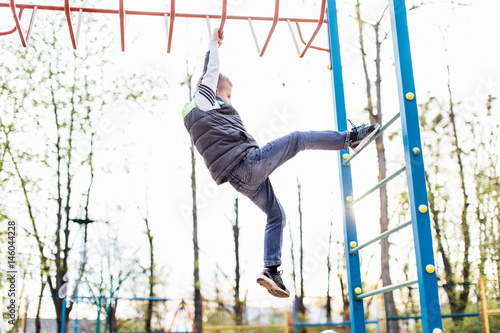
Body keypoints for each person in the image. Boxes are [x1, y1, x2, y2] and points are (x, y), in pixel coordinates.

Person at [182, 29, 380, 298]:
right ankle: (351, 139)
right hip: (248, 163)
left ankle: (271, 269)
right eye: (228, 96)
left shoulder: (200, 110)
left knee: (276, 215)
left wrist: (212, 47)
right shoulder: (204, 101)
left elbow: (209, 73)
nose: (230, 101)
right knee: (298, 139)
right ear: (215, 90)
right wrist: (212, 45)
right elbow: (211, 71)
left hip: (240, 180)